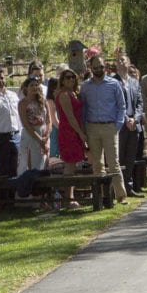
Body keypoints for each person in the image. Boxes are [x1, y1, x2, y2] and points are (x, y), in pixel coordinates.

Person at [79, 55, 128, 204]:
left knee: (114, 163)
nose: (99, 70)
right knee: (97, 164)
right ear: (90, 68)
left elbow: (122, 106)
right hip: (92, 126)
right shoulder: (85, 86)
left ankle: (121, 196)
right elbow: (83, 108)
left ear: (105, 66)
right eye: (95, 67)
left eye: (101, 66)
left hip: (109, 126)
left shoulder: (114, 84)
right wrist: (84, 128)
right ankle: (102, 196)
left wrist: (117, 126)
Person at [55, 69, 87, 208]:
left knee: (73, 164)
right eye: (67, 78)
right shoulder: (63, 95)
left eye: (73, 77)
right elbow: (70, 117)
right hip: (69, 132)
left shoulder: (74, 93)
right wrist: (81, 133)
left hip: (75, 131)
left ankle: (71, 197)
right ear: (62, 80)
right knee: (69, 164)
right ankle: (67, 199)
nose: (71, 80)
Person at [114, 55, 145, 198]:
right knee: (120, 157)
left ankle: (129, 186)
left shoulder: (134, 82)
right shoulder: (113, 81)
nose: (121, 62)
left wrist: (135, 119)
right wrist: (126, 119)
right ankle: (119, 189)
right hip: (121, 125)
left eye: (123, 60)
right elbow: (115, 104)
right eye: (118, 60)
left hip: (134, 125)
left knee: (131, 157)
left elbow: (140, 103)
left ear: (129, 63)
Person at [18, 76, 49, 173]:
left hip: (43, 134)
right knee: (31, 164)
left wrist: (46, 136)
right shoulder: (23, 103)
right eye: (32, 85)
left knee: (43, 162)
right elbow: (25, 123)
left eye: (36, 85)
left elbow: (49, 120)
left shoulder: (43, 101)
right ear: (26, 88)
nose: (35, 87)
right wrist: (39, 139)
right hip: (31, 134)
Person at [46, 76, 60, 159]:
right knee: (54, 153)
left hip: (59, 128)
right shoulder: (50, 101)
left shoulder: (58, 99)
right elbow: (54, 120)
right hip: (55, 130)